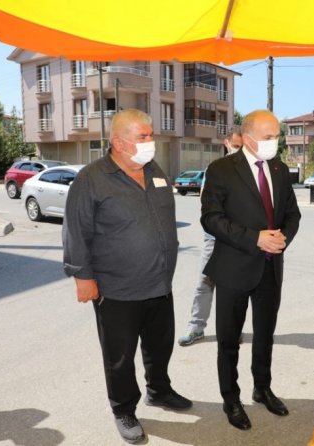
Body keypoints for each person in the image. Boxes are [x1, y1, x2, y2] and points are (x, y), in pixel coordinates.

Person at [62, 109, 191, 445]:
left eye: (151, 135)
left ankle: (158, 390)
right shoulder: (91, 178)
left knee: (160, 345)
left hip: (159, 283)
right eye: (143, 136)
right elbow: (75, 231)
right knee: (119, 357)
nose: (151, 142)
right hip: (116, 288)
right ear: (119, 142)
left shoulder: (154, 171)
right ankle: (123, 409)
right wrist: (82, 277)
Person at [201, 110, 301, 430]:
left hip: (270, 268)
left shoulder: (279, 169)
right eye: (268, 137)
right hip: (233, 268)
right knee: (229, 340)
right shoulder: (221, 169)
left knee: (265, 335)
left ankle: (263, 388)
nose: (275, 143)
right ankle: (231, 399)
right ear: (247, 137)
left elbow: (292, 214)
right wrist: (255, 238)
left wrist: (282, 238)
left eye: (277, 137)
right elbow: (211, 218)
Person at [178, 131, 243, 346]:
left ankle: (232, 330)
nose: (238, 150)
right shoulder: (215, 170)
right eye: (235, 146)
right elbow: (207, 204)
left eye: (242, 147)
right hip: (214, 239)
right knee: (204, 283)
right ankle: (196, 328)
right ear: (226, 143)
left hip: (238, 240)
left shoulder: (250, 171)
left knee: (233, 288)